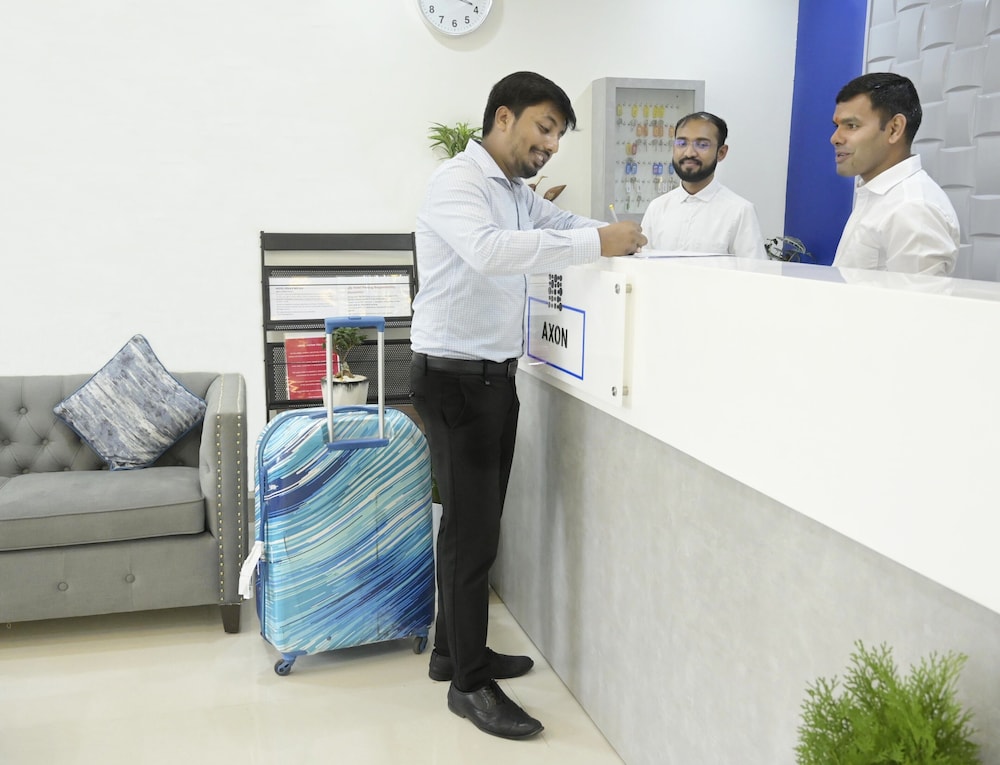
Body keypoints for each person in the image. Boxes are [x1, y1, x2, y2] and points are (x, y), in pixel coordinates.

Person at [408, 71, 645, 740]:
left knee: (473, 527)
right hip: (455, 380)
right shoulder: (459, 182)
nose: (551, 145)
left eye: (559, 136)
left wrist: (620, 234)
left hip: (490, 379)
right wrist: (598, 243)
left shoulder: (514, 191)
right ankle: (468, 687)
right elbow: (489, 253)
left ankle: (454, 652)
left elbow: (563, 223)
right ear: (504, 117)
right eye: (545, 128)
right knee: (472, 536)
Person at [831, 72, 959, 276]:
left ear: (894, 129)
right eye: (837, 126)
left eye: (851, 126)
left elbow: (917, 297)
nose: (835, 138)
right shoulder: (880, 196)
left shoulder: (913, 208)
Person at [640, 111, 765, 258]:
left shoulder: (739, 211)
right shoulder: (657, 208)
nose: (689, 153)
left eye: (702, 145)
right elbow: (641, 265)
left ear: (721, 153)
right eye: (682, 143)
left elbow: (754, 270)